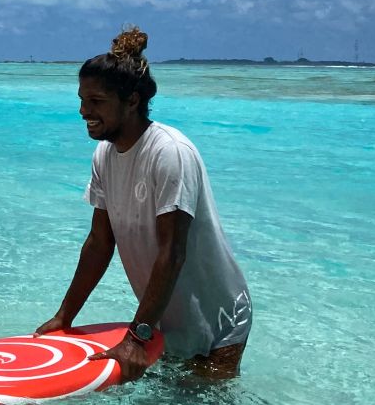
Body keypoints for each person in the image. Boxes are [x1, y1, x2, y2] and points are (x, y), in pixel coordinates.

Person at [37, 27, 252, 381]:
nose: (82, 111)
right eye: (81, 99)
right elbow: (99, 243)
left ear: (132, 100)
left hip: (219, 323)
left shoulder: (169, 152)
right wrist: (65, 317)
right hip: (166, 320)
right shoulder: (105, 155)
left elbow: (173, 252)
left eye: (96, 101)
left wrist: (137, 337)